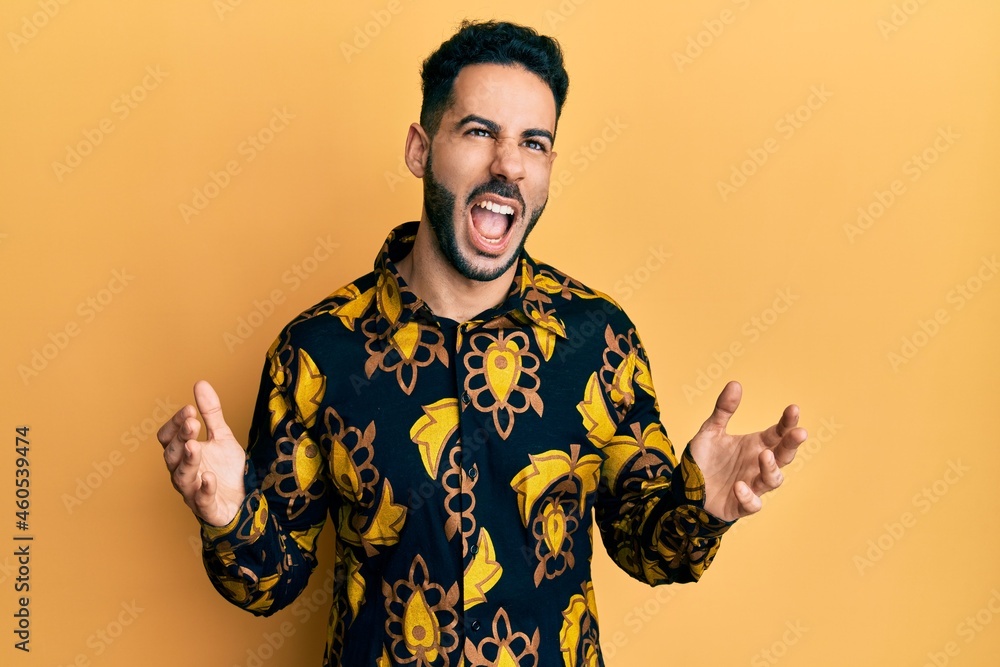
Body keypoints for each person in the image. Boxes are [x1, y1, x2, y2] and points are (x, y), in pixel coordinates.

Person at [157, 19, 807, 667]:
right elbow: (271, 580)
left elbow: (650, 550)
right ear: (419, 148)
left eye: (535, 142)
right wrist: (229, 513)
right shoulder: (318, 351)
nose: (509, 163)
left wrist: (703, 507)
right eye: (479, 132)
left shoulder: (599, 340)